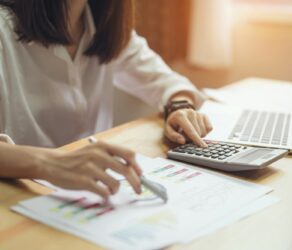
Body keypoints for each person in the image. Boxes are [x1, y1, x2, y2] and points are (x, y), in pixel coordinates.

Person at [0, 0, 212, 198]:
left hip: (90, 195)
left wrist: (179, 107)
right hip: (18, 198)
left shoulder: (101, 24)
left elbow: (167, 83)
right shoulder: (4, 30)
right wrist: (51, 163)